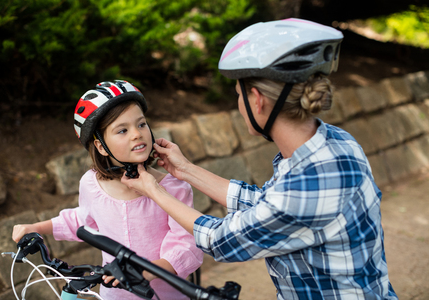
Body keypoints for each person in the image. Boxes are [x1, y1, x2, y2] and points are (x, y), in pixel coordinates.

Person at [121, 19, 398, 299]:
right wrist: (186, 170)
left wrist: (154, 190)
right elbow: (266, 205)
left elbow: (220, 240)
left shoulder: (309, 183)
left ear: (257, 100)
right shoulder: (335, 142)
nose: (239, 105)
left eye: (238, 95)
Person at [12, 80, 203, 300]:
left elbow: (186, 246)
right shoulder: (92, 184)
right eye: (122, 130)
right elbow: (81, 221)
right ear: (101, 146)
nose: (136, 134)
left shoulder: (173, 188)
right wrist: (34, 227)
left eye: (141, 124)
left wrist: (143, 271)